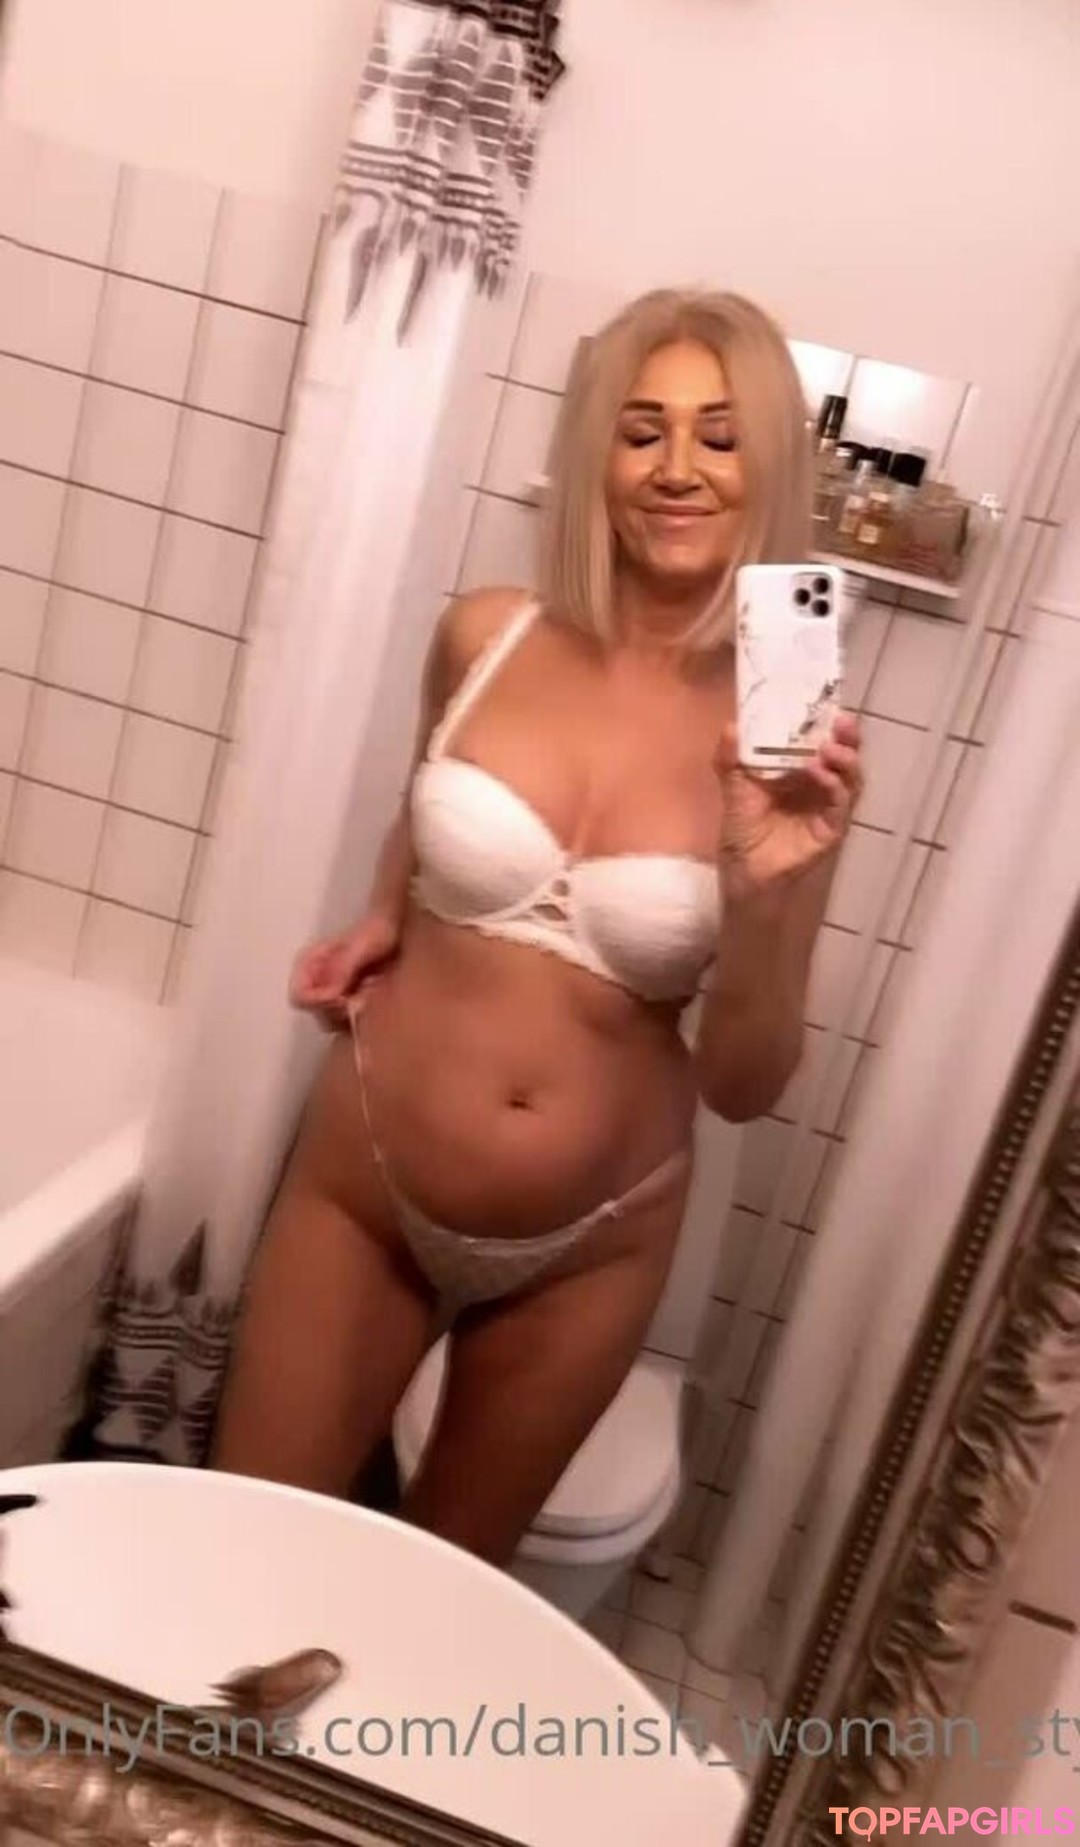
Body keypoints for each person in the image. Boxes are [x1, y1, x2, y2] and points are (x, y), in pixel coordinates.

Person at [211, 289, 864, 1566]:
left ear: (774, 466)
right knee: (246, 1546)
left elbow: (743, 1084)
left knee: (442, 1599)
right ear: (596, 453)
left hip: (592, 1241)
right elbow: (425, 799)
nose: (677, 467)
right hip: (366, 1178)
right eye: (643, 430)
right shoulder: (487, 632)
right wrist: (383, 915)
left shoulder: (788, 727)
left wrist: (764, 895)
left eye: (721, 436)